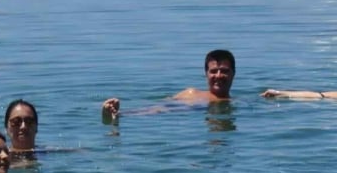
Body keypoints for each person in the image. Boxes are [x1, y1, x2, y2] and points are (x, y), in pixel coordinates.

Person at [101, 49, 237, 121]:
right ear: (206, 74)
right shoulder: (190, 93)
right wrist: (124, 113)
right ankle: (116, 115)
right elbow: (158, 108)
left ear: (233, 74)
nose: (218, 75)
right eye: (213, 71)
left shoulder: (237, 102)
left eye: (224, 71)